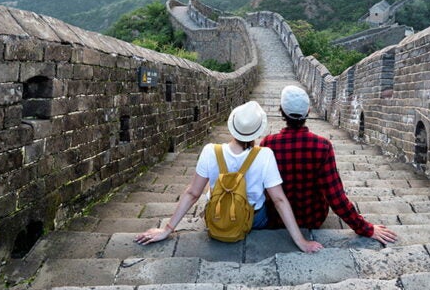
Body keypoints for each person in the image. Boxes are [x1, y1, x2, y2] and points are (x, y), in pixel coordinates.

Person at [135, 100, 323, 253]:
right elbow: (279, 200)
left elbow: (193, 193)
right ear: (258, 131)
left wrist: (166, 229)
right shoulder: (265, 155)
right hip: (252, 221)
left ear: (232, 126)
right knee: (267, 207)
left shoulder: (210, 151)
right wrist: (301, 241)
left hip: (216, 219)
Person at [260, 85, 398, 245]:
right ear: (308, 112)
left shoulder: (268, 143)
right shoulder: (322, 146)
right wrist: (365, 228)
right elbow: (335, 196)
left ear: (281, 111)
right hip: (313, 218)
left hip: (278, 219)